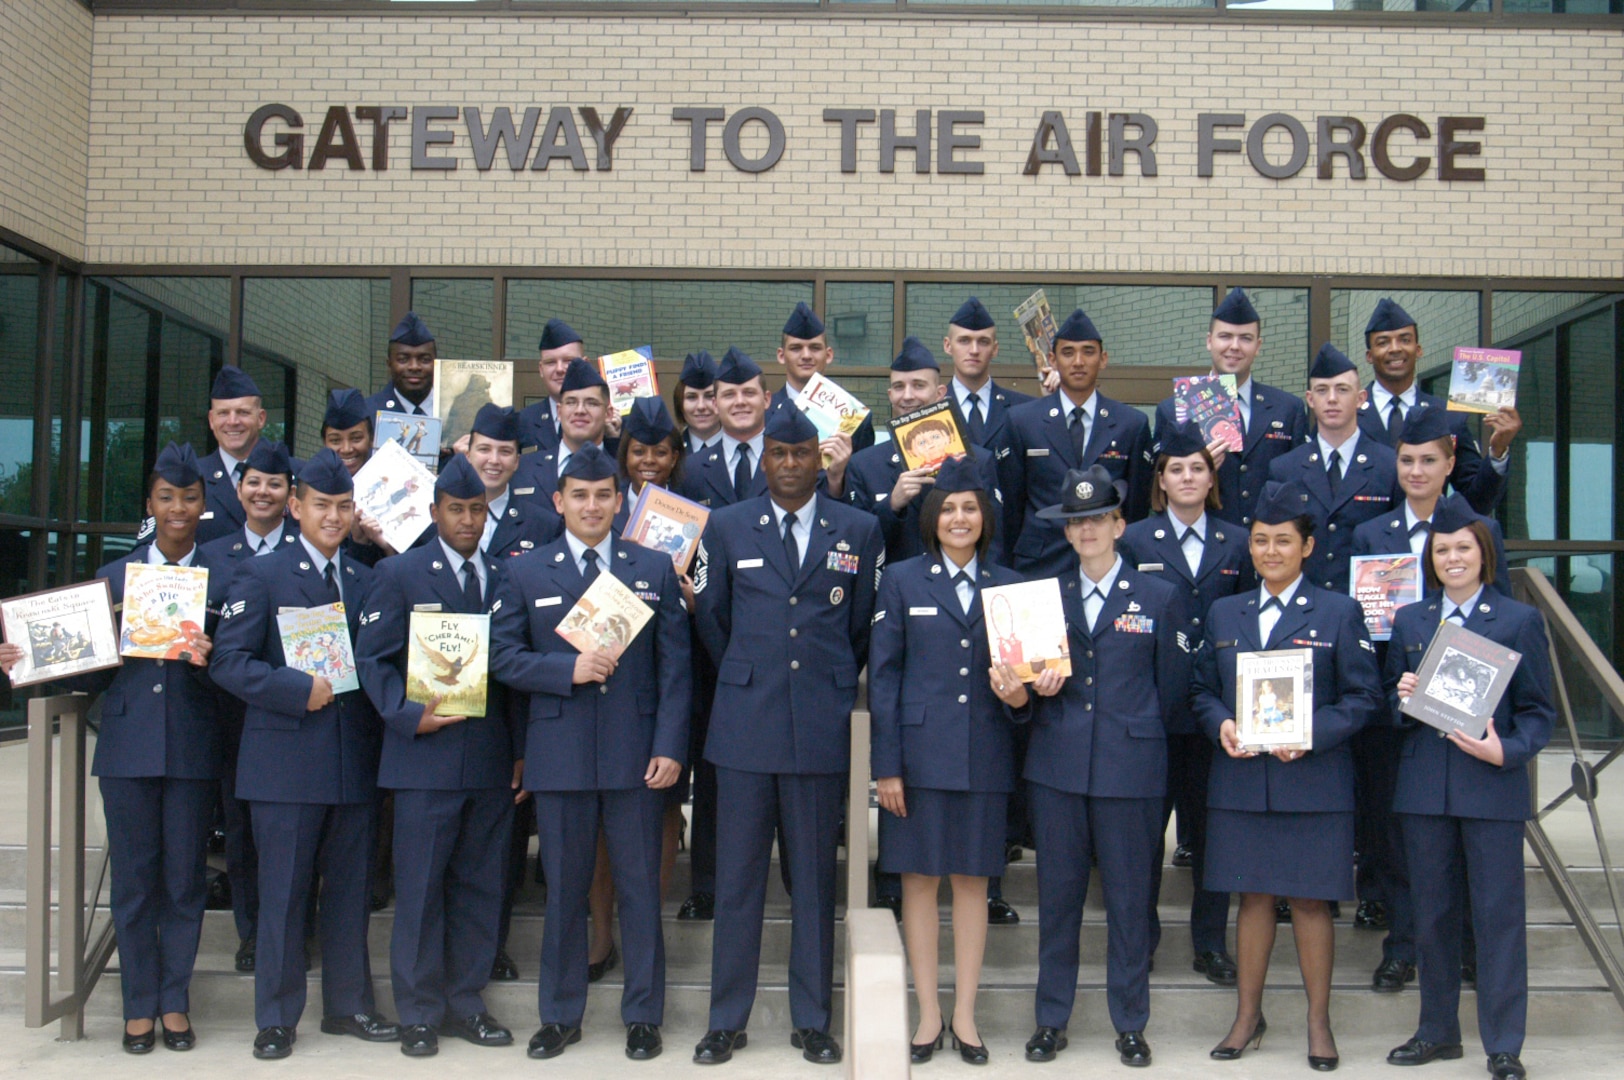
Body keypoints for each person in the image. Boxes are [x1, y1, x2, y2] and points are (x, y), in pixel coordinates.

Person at [1, 444, 228, 1053]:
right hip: (128, 747)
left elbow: (239, 671)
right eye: (166, 498)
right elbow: (90, 669)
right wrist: (31, 662)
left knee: (183, 882)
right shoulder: (114, 576)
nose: (178, 508)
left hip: (193, 748)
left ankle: (173, 1004)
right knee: (133, 883)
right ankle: (138, 1007)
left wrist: (212, 660)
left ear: (203, 504)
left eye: (188, 497)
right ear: (150, 505)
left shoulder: (224, 575)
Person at [690, 406, 883, 1067]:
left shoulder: (858, 529)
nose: (792, 464)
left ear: (821, 459)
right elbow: (712, 620)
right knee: (739, 881)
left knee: (812, 882)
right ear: (764, 458)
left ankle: (812, 1020)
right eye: (780, 453)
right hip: (745, 725)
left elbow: (858, 628)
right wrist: (749, 671)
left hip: (818, 727)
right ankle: (726, 1020)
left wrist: (826, 682)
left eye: (804, 453)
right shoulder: (727, 525)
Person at [489, 442, 691, 1062]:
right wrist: (565, 668)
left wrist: (670, 747)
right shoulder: (526, 571)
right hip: (561, 754)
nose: (592, 505)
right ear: (559, 501)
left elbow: (676, 669)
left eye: (604, 494)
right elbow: (501, 657)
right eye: (580, 494)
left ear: (621, 500)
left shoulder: (651, 567)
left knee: (637, 890)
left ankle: (643, 1016)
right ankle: (559, 1014)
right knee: (565, 892)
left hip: (636, 756)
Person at [210, 449, 399, 1060]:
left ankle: (349, 1007)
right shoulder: (261, 576)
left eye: (344, 507)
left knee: (348, 896)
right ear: (296, 507)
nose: (334, 517)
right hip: (285, 766)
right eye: (322, 505)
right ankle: (277, 1017)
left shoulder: (368, 579)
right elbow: (229, 662)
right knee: (284, 897)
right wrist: (296, 689)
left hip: (353, 764)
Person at [1192, 481, 1382, 1071]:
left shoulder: (1338, 611)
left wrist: (1311, 734)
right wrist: (1221, 722)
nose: (1269, 551)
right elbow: (1201, 688)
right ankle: (1247, 1017)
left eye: (1282, 541)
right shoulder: (1226, 611)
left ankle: (1318, 1023)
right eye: (1259, 541)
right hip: (1243, 781)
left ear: (1307, 547)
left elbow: (1363, 697)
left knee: (1309, 903)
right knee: (1251, 899)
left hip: (1313, 784)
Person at [1019, 464, 1191, 1068]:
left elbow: (1173, 692)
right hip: (1058, 768)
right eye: (1076, 521)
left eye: (1097, 518)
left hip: (1131, 767)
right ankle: (1050, 1018)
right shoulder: (1042, 597)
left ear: (1120, 524)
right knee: (1059, 900)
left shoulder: (1159, 596)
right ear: (1066, 533)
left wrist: (1134, 733)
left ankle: (1130, 1021)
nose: (1087, 530)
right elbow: (1024, 682)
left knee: (1129, 900)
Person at [354, 455, 524, 1058]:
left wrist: (522, 753)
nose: (468, 521)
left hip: (487, 758)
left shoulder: (505, 578)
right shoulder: (400, 574)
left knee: (480, 887)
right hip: (422, 756)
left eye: (477, 510)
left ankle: (466, 1004)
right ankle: (420, 1012)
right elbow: (370, 659)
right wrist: (406, 716)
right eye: (456, 510)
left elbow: (515, 675)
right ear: (434, 513)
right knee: (421, 891)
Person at [868, 455, 1030, 1065]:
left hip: (984, 753)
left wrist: (1020, 699)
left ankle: (965, 1015)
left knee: (972, 881)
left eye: (970, 508)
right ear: (932, 518)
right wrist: (887, 767)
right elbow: (883, 679)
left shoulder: (1013, 586)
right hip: (916, 758)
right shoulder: (903, 581)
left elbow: (1032, 685)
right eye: (949, 509)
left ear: (985, 516)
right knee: (917, 881)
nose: (959, 518)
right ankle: (927, 1014)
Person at [842, 336, 1010, 922]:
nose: (909, 395)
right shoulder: (870, 464)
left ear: (940, 392)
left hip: (970, 621)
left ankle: (986, 886)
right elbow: (854, 547)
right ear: (888, 397)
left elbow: (997, 541)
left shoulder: (978, 459)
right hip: (898, 615)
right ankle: (896, 883)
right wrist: (892, 503)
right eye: (898, 387)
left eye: (920, 386)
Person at [1383, 500, 1552, 1080]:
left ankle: (1503, 1043)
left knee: (1498, 917)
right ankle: (1437, 1032)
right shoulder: (1410, 621)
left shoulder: (1516, 620)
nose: (1452, 558)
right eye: (1441, 550)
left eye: (1463, 548)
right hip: (1425, 790)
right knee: (1431, 916)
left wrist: (1507, 750)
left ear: (1485, 555)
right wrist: (1402, 696)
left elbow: (1538, 712)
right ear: (1429, 559)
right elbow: (1390, 706)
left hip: (1490, 788)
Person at [1348, 409, 1512, 985]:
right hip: (1395, 711)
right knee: (1396, 835)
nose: (1416, 471)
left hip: (1466, 711)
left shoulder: (1477, 534)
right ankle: (1404, 943)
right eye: (1407, 460)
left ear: (1449, 466)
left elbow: (1503, 623)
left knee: (1462, 839)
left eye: (1428, 461)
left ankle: (1464, 946)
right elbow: (1362, 628)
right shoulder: (1372, 536)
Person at [1119, 421, 1249, 990]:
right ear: (1161, 481)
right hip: (1153, 712)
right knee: (1146, 837)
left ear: (1212, 475)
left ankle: (1210, 943)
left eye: (1198, 466)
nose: (1188, 476)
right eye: (1176, 468)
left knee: (1214, 834)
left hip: (1218, 713)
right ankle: (1141, 939)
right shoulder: (1134, 541)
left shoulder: (1239, 542)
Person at [199, 440, 301, 975]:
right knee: (242, 830)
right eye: (254, 483)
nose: (263, 492)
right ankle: (252, 931)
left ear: (290, 496)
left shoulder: (308, 549)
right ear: (239, 490)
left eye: (275, 484)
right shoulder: (210, 556)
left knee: (298, 834)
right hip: (232, 716)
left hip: (298, 716)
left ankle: (293, 928)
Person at [997, 308, 1154, 578]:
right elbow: (1011, 506)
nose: (1078, 361)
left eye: (1088, 352)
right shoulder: (1022, 421)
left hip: (1107, 564)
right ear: (1052, 359)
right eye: (1068, 352)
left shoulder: (1132, 424)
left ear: (1103, 359)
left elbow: (1136, 509)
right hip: (1038, 565)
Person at [1152, 288, 1308, 528]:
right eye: (1225, 336)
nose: (1234, 346)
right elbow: (1157, 489)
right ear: (1209, 341)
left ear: (1258, 346)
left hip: (1268, 543)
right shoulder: (1173, 410)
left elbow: (1299, 484)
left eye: (1245, 338)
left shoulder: (1288, 409)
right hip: (1205, 542)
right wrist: (1198, 464)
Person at [1358, 297, 1518, 516]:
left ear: (1419, 349)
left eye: (1404, 340)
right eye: (1383, 342)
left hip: (1431, 544)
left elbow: (1476, 502)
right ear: (1369, 355)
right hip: (1362, 545)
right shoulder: (1347, 415)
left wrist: (1498, 451)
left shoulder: (1448, 417)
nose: (1394, 349)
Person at [1267, 343, 1398, 593]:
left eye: (1342, 389)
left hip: (1370, 604)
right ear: (1310, 399)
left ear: (1361, 399)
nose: (1332, 399)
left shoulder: (1388, 465)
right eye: (1322, 390)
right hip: (1304, 606)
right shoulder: (1285, 468)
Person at [770, 301, 862, 496]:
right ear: (781, 355)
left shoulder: (854, 418)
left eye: (814, 348)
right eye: (796, 348)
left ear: (828, 355)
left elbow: (862, 489)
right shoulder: (763, 414)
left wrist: (837, 481)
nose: (806, 355)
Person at [512, 358, 615, 505]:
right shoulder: (522, 468)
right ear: (559, 412)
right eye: (571, 402)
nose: (580, 411)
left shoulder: (624, 475)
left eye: (591, 403)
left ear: (608, 414)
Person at [680, 347, 770, 512]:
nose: (740, 402)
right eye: (729, 395)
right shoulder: (690, 470)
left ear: (766, 399)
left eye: (749, 393)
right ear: (715, 404)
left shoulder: (789, 460)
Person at [518, 318, 626, 452]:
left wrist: (612, 439)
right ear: (541, 369)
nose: (559, 369)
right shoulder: (522, 422)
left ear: (585, 363)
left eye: (568, 361)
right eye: (551, 362)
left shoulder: (614, 420)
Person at [942, 297, 1032, 451]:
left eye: (983, 342)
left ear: (995, 349)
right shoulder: (932, 409)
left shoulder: (1024, 409)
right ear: (948, 346)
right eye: (964, 341)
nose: (974, 350)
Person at [365, 312, 437, 419]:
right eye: (403, 359)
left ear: (436, 363)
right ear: (389, 364)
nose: (414, 367)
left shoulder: (457, 412)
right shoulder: (367, 413)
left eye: (424, 359)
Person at [674, 350, 723, 455]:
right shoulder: (671, 450)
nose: (701, 406)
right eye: (691, 397)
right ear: (680, 403)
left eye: (710, 396)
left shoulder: (740, 450)